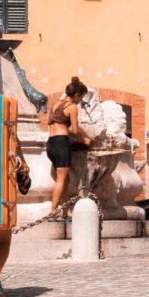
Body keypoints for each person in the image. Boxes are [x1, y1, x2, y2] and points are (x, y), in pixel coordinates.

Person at [47, 77, 92, 217]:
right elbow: (75, 131)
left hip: (50, 144)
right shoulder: (72, 107)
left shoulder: (55, 104)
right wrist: (84, 141)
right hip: (61, 144)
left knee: (64, 179)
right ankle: (52, 211)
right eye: (81, 97)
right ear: (77, 94)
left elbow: (57, 125)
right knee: (61, 180)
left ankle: (66, 211)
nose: (80, 100)